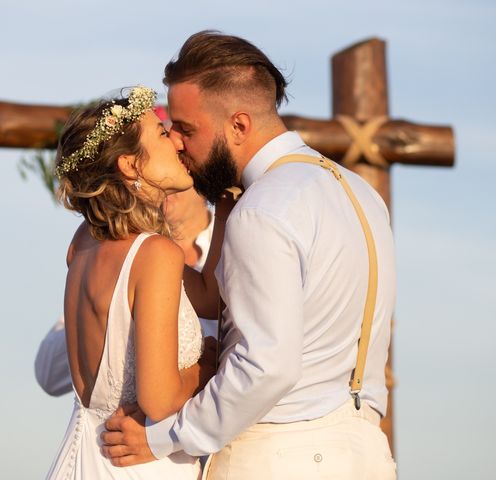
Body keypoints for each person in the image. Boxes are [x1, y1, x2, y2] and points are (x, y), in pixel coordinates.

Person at [102, 31, 397, 479]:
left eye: (185, 128)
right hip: (368, 455)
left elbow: (267, 365)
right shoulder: (361, 193)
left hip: (280, 458)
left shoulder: (262, 209)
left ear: (238, 125)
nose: (177, 142)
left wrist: (165, 437)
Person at [45, 85, 226, 479]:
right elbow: (159, 401)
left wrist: (225, 200)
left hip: (80, 459)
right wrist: (206, 364)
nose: (176, 141)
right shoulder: (155, 254)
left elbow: (211, 297)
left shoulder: (83, 244)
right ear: (130, 166)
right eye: (162, 134)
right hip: (136, 465)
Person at [34, 187, 216, 398]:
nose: (163, 183)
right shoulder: (104, 250)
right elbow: (48, 376)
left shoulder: (233, 250)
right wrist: (104, 311)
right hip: (110, 427)